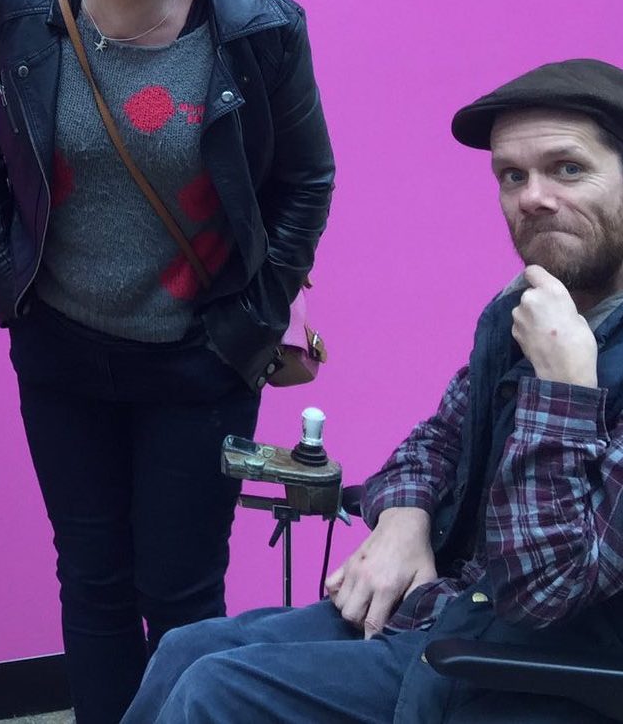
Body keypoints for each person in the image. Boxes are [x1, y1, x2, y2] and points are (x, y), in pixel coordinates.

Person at [0, 0, 335, 724]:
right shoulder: (21, 7)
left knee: (184, 591)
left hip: (197, 361)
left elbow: (306, 181)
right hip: (63, 351)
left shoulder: (258, 28)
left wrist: (250, 322)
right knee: (92, 580)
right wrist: (8, 278)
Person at [122, 58, 623, 724]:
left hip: (534, 671)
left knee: (219, 691)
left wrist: (564, 389)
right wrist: (404, 521)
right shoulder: (524, 312)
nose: (532, 197)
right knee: (187, 650)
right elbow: (438, 440)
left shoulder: (558, 342)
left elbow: (548, 590)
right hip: (450, 616)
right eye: (512, 176)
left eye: (568, 169)